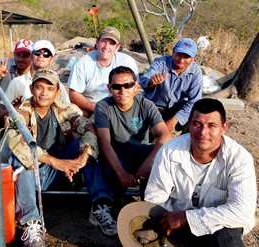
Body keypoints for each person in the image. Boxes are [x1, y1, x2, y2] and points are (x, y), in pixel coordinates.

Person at [6, 69, 117, 247]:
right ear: (31, 88)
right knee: (17, 155)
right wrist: (56, 162)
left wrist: (82, 157)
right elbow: (15, 140)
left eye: (50, 89)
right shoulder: (21, 113)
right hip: (30, 174)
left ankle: (99, 206)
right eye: (39, 87)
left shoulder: (62, 109)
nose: (44, 93)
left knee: (86, 144)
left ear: (58, 92)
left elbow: (87, 126)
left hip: (54, 173)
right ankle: (31, 223)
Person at [144, 98, 257, 247]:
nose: (203, 132)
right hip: (178, 225)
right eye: (197, 124)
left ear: (224, 128)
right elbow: (154, 198)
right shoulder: (169, 152)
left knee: (226, 236)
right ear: (189, 123)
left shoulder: (239, 159)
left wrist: (189, 218)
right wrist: (176, 219)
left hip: (219, 227)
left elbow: (242, 212)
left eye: (212, 126)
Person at [94, 66, 171, 195]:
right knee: (106, 169)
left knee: (164, 156)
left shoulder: (146, 105)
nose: (122, 91)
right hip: (117, 153)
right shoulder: (103, 107)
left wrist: (149, 163)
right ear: (109, 89)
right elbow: (104, 142)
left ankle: (149, 198)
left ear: (136, 87)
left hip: (141, 151)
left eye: (128, 85)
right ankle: (115, 202)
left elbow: (165, 135)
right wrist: (121, 173)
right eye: (116, 86)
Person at [67, 27, 139, 117]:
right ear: (97, 42)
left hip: (119, 107)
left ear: (117, 47)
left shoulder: (127, 62)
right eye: (103, 42)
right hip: (90, 109)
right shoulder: (82, 63)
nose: (106, 47)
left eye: (112, 43)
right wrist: (96, 108)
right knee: (71, 111)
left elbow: (134, 89)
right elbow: (73, 93)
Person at [0, 40, 70, 126]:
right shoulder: (17, 82)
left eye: (46, 54)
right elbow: (0, 116)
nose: (41, 56)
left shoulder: (59, 87)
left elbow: (68, 114)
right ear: (31, 56)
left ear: (51, 59)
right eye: (37, 52)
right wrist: (16, 108)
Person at [139, 38, 203, 133]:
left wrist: (174, 120)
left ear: (194, 57)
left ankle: (184, 145)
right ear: (173, 51)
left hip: (175, 107)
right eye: (179, 55)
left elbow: (193, 101)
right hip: (153, 106)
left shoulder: (196, 72)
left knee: (197, 116)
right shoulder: (160, 62)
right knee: (145, 133)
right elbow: (144, 80)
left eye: (186, 57)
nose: (181, 60)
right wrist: (151, 81)